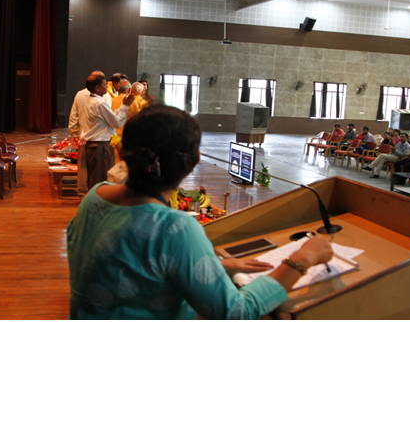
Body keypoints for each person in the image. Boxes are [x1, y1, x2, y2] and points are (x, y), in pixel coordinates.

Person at [66, 104, 334, 319]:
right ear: (194, 161)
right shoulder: (174, 228)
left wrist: (214, 267)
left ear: (123, 152)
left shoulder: (95, 196)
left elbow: (129, 266)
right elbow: (234, 313)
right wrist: (302, 259)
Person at [80, 73, 134, 190]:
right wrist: (126, 106)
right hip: (100, 146)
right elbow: (116, 122)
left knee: (96, 178)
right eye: (104, 85)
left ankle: (96, 199)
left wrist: (123, 105)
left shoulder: (92, 100)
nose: (107, 87)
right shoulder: (99, 103)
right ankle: (98, 200)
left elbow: (111, 118)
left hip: (95, 145)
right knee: (101, 180)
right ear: (97, 88)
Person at [69, 70, 106, 195]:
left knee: (83, 166)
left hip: (83, 135)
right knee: (97, 170)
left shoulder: (80, 94)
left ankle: (82, 192)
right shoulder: (104, 96)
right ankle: (95, 194)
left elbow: (73, 115)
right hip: (98, 138)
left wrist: (74, 133)